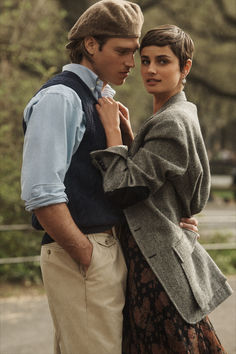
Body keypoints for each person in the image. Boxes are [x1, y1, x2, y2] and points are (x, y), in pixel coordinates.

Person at [21, 1, 198, 351]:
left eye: (134, 53)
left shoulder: (98, 99)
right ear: (90, 44)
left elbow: (123, 183)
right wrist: (88, 255)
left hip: (106, 250)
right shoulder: (61, 98)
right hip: (84, 254)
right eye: (123, 52)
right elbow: (42, 194)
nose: (132, 64)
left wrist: (171, 217)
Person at [91, 25, 233, 353]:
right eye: (145, 60)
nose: (151, 69)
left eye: (163, 61)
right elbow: (173, 190)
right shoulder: (179, 113)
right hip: (155, 260)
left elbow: (124, 190)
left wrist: (113, 135)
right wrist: (130, 138)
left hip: (155, 271)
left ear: (185, 67)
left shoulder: (171, 121)